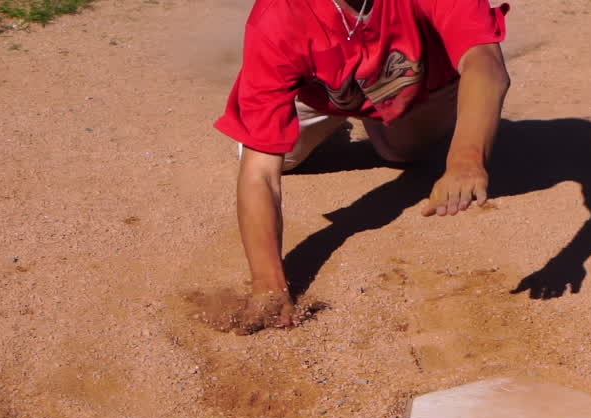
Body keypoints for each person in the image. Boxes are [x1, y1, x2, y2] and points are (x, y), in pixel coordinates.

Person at [214, 0, 511, 332]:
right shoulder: (278, 15)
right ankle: (329, 125)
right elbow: (261, 173)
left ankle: (379, 126)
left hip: (416, 87)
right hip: (318, 93)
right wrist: (267, 284)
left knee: (404, 154)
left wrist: (466, 159)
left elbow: (485, 63)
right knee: (282, 157)